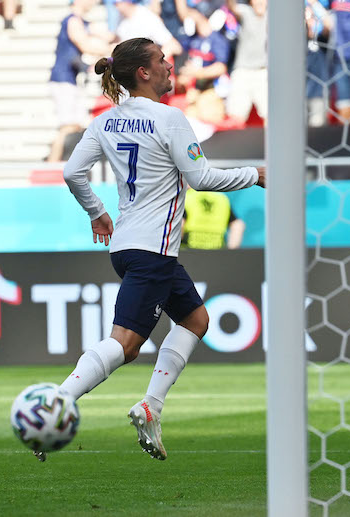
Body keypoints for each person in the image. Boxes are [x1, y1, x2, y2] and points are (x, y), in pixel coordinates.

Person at [49, 37, 265, 463]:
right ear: (143, 72)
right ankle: (57, 401)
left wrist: (97, 213)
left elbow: (73, 172)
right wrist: (254, 174)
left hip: (128, 247)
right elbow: (201, 179)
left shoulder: (106, 122)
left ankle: (151, 406)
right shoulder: (169, 118)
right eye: (162, 60)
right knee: (126, 345)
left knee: (196, 319)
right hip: (153, 251)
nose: (170, 65)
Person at [47, 0, 114, 162]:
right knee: (68, 127)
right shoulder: (73, 20)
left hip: (70, 80)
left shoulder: (82, 22)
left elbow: (106, 36)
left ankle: (58, 164)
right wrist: (113, 51)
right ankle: (51, 166)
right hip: (63, 79)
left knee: (76, 125)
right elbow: (85, 45)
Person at [224, 0, 267, 125]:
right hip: (242, 71)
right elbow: (232, 7)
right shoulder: (245, 11)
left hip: (264, 72)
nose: (260, 2)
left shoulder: (274, 16)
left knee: (270, 115)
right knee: (236, 116)